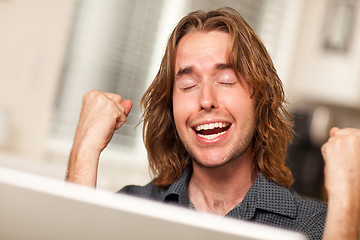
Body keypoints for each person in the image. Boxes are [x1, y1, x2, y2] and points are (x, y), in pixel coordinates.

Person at [66, 7, 360, 240]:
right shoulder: (130, 209)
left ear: (260, 99)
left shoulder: (318, 226)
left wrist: (346, 200)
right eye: (189, 84)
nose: (206, 100)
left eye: (226, 80)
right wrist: (84, 151)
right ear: (170, 107)